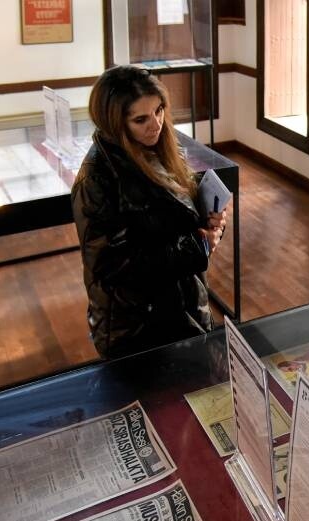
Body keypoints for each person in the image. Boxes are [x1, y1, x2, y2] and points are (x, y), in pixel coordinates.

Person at [72, 65, 227, 359]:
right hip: (137, 325)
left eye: (159, 111)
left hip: (183, 303)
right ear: (114, 121)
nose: (155, 124)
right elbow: (111, 266)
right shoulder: (97, 177)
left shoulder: (165, 147)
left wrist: (211, 223)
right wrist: (198, 245)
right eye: (140, 119)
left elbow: (185, 217)